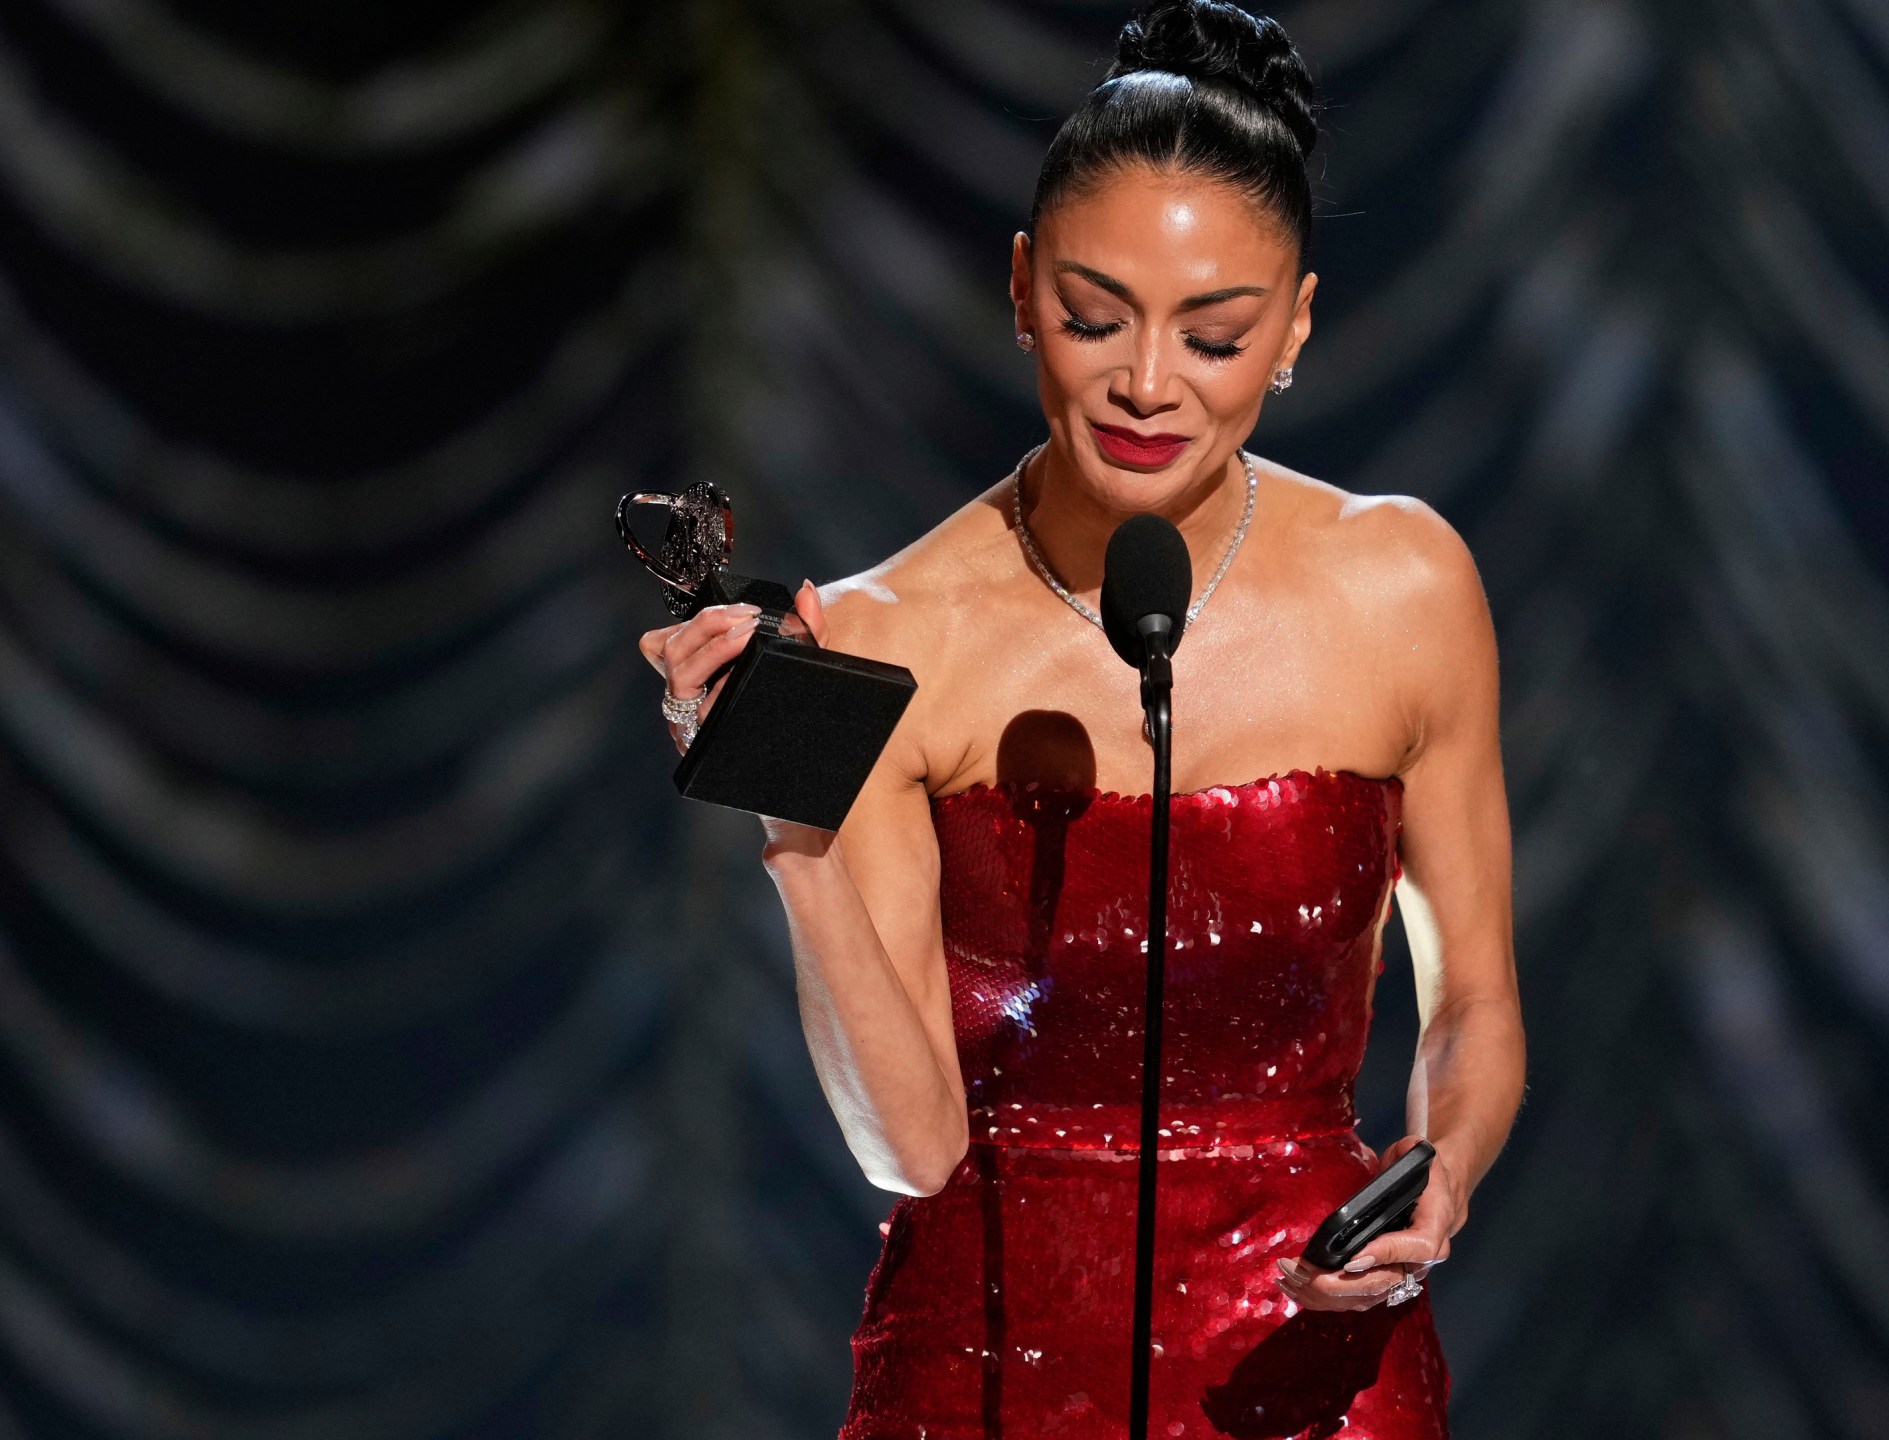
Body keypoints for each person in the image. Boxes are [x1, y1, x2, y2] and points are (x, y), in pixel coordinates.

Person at [640, 2, 1524, 1433]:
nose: (1146, 383)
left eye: (1216, 333)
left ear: (1296, 322)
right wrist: (790, 826)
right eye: (1093, 315)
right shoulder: (884, 631)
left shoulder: (1406, 586)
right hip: (985, 1370)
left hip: (1312, 1359)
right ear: (1018, 287)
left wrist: (1440, 1170)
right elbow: (908, 1144)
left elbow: (1474, 998)